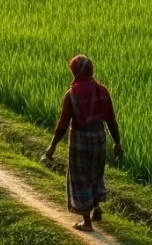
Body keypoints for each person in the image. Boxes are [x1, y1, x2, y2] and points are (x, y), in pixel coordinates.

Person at [42, 55, 124, 233]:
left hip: (80, 140)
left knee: (80, 178)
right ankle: (97, 208)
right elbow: (111, 120)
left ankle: (86, 222)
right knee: (95, 173)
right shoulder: (102, 90)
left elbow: (63, 124)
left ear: (76, 71)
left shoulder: (72, 94)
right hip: (99, 139)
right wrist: (117, 143)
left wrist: (53, 145)